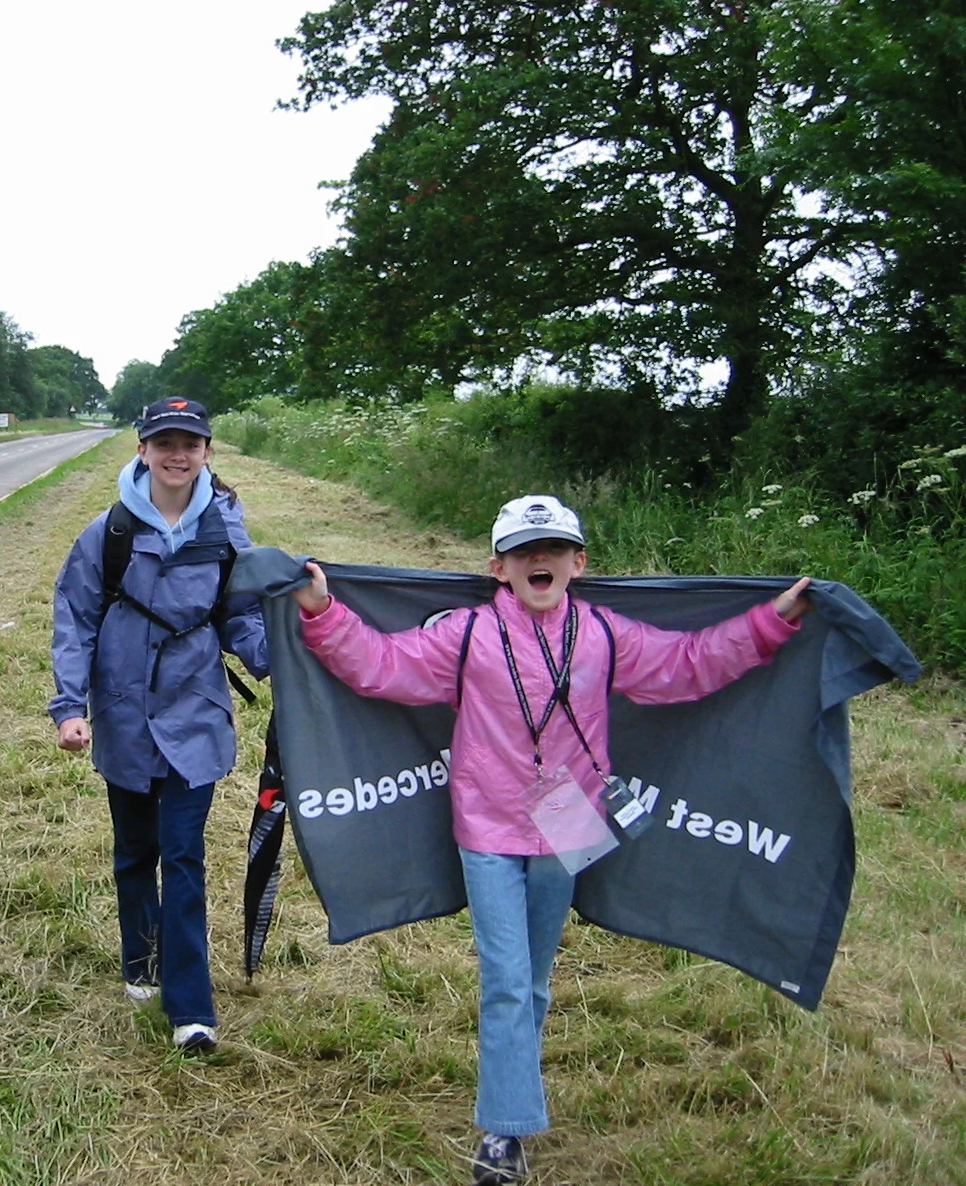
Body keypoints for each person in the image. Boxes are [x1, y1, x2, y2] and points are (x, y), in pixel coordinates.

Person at [292, 494, 813, 1184]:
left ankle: (513, 1086)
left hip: (568, 817)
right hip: (486, 820)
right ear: (498, 567)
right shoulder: (470, 633)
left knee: (534, 981)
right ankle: (505, 1135)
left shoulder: (602, 633)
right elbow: (383, 665)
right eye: (524, 550)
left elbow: (689, 664)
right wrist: (322, 611)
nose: (540, 558)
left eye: (554, 548)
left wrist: (772, 623)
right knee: (506, 979)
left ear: (578, 562)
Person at [49, 397, 268, 1052]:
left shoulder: (226, 530)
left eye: (191, 443)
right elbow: (75, 620)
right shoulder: (108, 532)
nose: (178, 454)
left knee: (184, 854)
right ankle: (140, 960)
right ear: (142, 449)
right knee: (134, 852)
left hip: (195, 711)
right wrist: (68, 707)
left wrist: (281, 664)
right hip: (122, 713)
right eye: (164, 442)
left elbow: (244, 616)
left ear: (207, 452)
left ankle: (190, 1006)